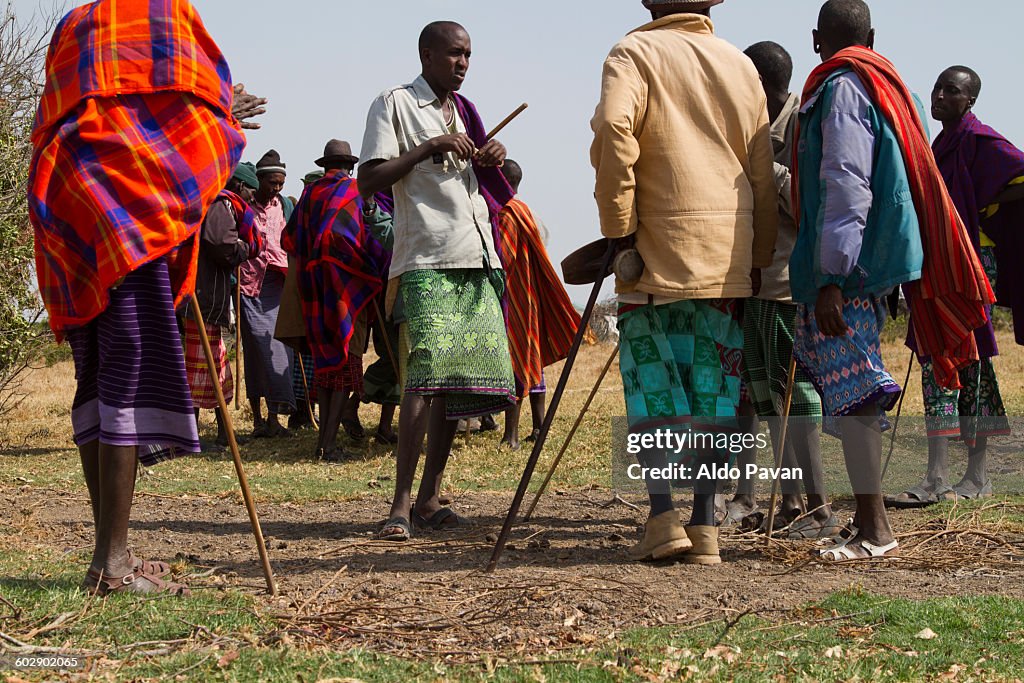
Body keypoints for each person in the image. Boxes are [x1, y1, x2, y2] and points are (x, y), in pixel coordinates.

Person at [27, 0, 252, 596]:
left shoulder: (78, 22)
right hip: (135, 208)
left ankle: (109, 554)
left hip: (81, 205)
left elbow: (55, 117)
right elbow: (194, 116)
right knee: (124, 368)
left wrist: (219, 113)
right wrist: (227, 117)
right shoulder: (168, 14)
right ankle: (113, 562)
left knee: (99, 372)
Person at [790, 0, 992, 561]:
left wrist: (831, 275)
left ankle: (876, 529)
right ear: (871, 36)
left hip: (849, 270)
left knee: (855, 394)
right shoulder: (885, 86)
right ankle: (864, 522)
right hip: (870, 263)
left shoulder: (842, 90)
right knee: (851, 392)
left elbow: (847, 181)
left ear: (815, 40)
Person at [592, 0, 777, 564]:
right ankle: (705, 527)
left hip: (652, 258)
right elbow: (761, 168)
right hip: (725, 260)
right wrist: (759, 254)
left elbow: (615, 131)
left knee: (652, 386)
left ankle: (661, 516)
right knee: (714, 394)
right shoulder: (738, 65)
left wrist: (619, 233)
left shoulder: (633, 51)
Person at [359, 20, 517, 540]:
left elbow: (490, 186)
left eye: (468, 55)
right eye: (454, 54)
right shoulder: (395, 103)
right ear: (426, 54)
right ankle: (399, 505)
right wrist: (427, 148)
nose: (463, 64)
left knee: (455, 384)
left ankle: (429, 497)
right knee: (422, 383)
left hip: (477, 257)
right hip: (425, 258)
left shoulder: (465, 113)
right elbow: (370, 179)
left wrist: (493, 155)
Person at [888, 65, 1024, 507]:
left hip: (972, 266)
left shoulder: (980, 140)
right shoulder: (940, 146)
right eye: (938, 88)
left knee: (973, 364)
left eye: (953, 90)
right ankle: (936, 478)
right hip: (936, 267)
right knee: (935, 364)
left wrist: (982, 203)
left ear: (970, 100)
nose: (941, 96)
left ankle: (978, 476)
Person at [727, 41, 839, 539]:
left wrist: (763, 170)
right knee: (767, 397)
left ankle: (819, 508)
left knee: (797, 398)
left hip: (786, 285)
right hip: (756, 282)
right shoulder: (752, 130)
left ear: (759, 84)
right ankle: (792, 501)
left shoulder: (799, 128)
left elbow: (809, 202)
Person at [282, 139, 387, 462]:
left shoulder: (310, 193)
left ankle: (323, 443)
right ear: (351, 166)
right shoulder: (355, 190)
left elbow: (290, 238)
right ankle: (328, 445)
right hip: (347, 290)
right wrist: (369, 269)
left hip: (314, 289)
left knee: (327, 367)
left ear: (325, 164)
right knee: (346, 363)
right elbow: (367, 239)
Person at [496, 159, 581, 449]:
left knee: (516, 361)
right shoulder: (528, 211)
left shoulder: (507, 213)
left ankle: (512, 435)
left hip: (514, 294)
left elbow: (503, 258)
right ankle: (540, 427)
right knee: (532, 358)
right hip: (531, 294)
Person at [183, 162, 264, 452]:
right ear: (239, 186)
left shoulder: (226, 206)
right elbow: (221, 244)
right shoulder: (221, 205)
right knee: (197, 370)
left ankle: (222, 432)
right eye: (251, 190)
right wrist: (243, 248)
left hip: (209, 300)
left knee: (215, 368)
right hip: (201, 300)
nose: (253, 197)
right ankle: (190, 437)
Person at [239, 150, 297, 438]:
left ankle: (276, 417)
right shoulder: (245, 208)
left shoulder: (284, 206)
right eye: (272, 183)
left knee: (278, 350)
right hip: (249, 285)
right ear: (259, 180)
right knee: (255, 352)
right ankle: (259, 419)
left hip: (278, 286)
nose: (276, 188)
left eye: (280, 184)